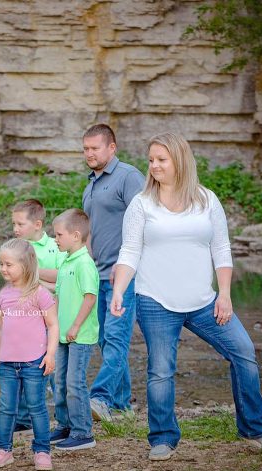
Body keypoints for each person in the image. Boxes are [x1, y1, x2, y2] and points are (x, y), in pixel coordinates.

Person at [110, 132, 262, 461]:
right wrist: (119, 290)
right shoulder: (142, 204)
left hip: (204, 301)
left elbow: (222, 250)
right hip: (155, 301)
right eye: (151, 160)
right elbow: (129, 252)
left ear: (180, 161)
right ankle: (163, 438)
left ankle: (254, 430)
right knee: (161, 370)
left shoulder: (207, 200)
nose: (154, 166)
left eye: (162, 159)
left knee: (243, 351)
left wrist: (225, 295)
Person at [81, 124, 145, 422]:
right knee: (106, 341)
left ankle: (100, 397)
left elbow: (147, 219)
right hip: (97, 276)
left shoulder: (128, 176)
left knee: (117, 339)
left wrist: (125, 266)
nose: (89, 153)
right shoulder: (91, 184)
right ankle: (122, 407)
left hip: (123, 277)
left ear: (112, 148)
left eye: (95, 148)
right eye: (86, 148)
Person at [0, 238, 59, 471]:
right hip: (7, 363)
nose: (3, 269)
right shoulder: (4, 296)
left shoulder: (40, 294)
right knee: (7, 407)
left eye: (9, 264)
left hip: (34, 363)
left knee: (37, 406)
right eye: (2, 264)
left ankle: (42, 451)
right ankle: (3, 449)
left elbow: (53, 326)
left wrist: (50, 355)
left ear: (26, 265)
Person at [9, 199, 67, 431]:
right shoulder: (15, 248)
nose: (15, 229)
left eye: (20, 224)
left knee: (53, 369)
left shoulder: (55, 246)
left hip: (50, 319)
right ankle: (23, 421)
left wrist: (33, 275)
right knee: (23, 368)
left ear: (37, 224)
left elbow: (61, 276)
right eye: (13, 223)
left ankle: (65, 419)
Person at [50, 209, 100, 451]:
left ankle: (83, 433)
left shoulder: (84, 263)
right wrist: (54, 324)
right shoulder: (66, 261)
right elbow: (58, 296)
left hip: (80, 336)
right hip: (62, 334)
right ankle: (65, 425)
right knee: (59, 382)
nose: (55, 239)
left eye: (59, 235)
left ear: (76, 235)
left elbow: (90, 297)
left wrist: (76, 325)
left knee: (74, 383)